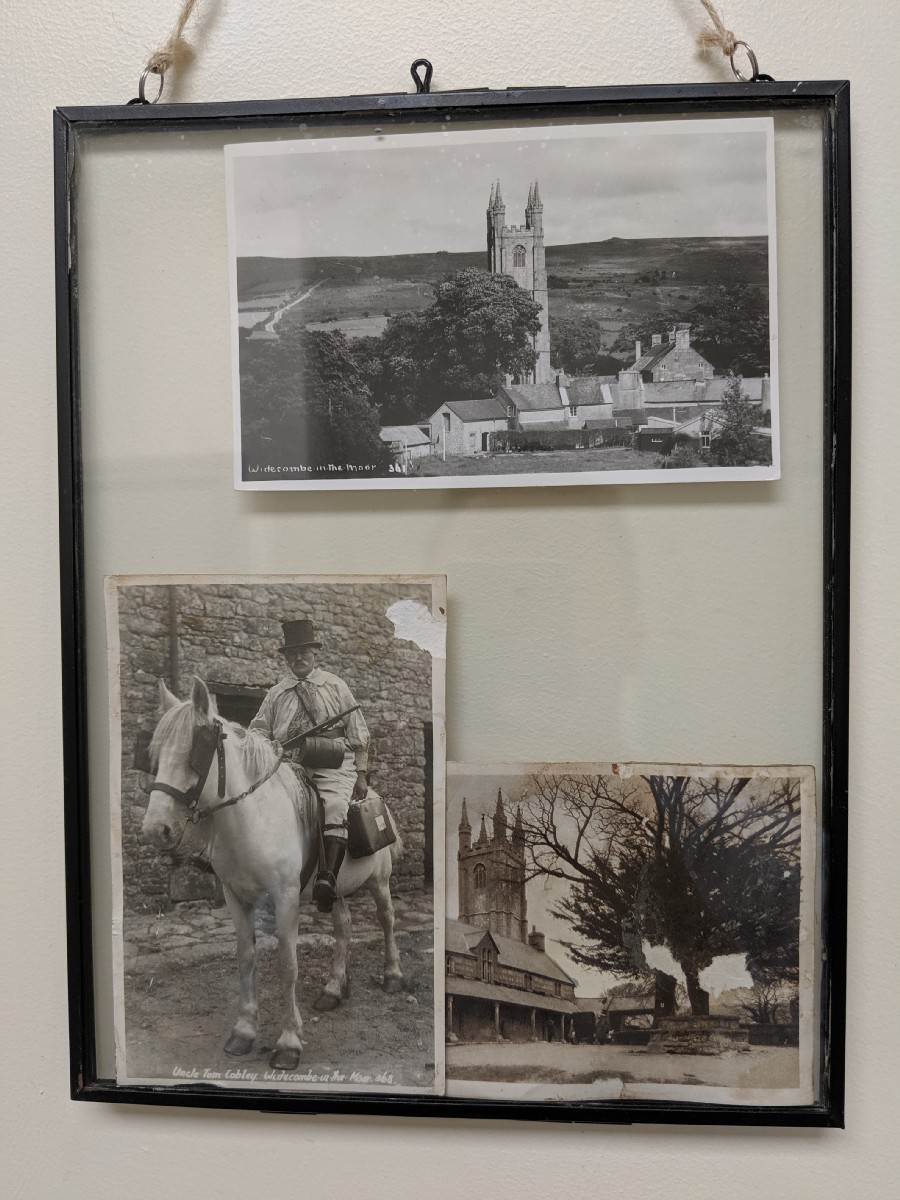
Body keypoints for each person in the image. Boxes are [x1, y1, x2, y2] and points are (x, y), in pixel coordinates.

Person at [249, 618, 369, 912]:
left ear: (315, 653)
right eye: (292, 653)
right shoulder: (276, 693)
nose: (298, 658)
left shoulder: (335, 685)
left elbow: (358, 730)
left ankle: (327, 879)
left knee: (335, 806)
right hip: (289, 766)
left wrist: (362, 772)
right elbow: (258, 730)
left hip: (332, 763)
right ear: (286, 658)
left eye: (303, 651)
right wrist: (261, 748)